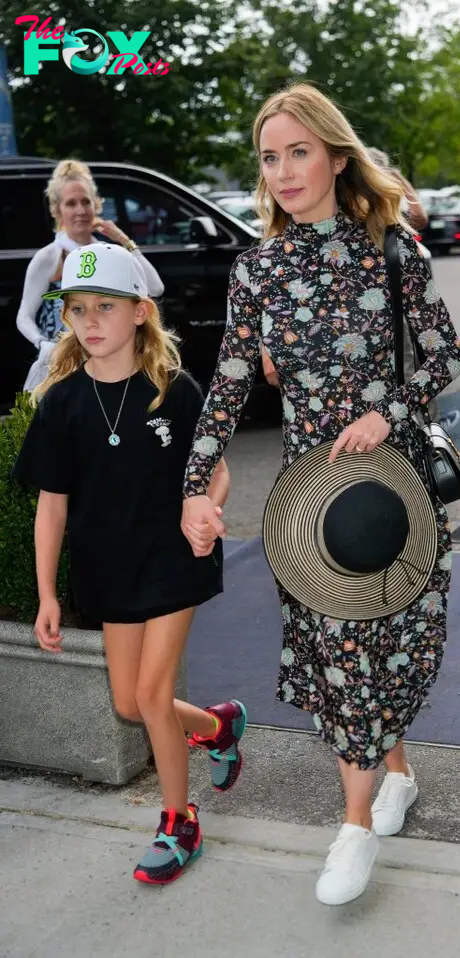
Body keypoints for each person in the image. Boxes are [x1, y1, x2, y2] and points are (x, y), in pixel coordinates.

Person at [181, 83, 460, 905]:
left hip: (397, 488)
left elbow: (443, 353)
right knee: (342, 654)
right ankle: (353, 826)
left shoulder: (393, 248)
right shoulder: (257, 270)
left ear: (338, 156)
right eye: (270, 157)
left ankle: (395, 773)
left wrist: (389, 409)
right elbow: (227, 386)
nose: (283, 170)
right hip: (312, 505)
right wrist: (195, 482)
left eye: (298, 151)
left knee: (396, 646)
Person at [12, 243, 247, 886]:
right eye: (77, 309)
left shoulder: (172, 389)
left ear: (140, 312)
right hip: (108, 571)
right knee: (129, 701)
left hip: (172, 561)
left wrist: (204, 511)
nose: (90, 321)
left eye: (105, 307)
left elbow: (216, 472)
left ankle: (179, 821)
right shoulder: (60, 402)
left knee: (149, 693)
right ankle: (218, 726)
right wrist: (47, 595)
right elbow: (50, 510)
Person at [16, 159, 165, 393]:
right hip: (64, 363)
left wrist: (124, 241)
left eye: (86, 201)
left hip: (108, 362)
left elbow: (154, 288)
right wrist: (43, 344)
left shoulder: (109, 253)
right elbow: (24, 316)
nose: (80, 210)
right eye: (71, 203)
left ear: (96, 205)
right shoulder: (50, 257)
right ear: (57, 210)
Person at [367, 147, 460, 434]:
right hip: (392, 291)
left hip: (381, 292)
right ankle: (426, 428)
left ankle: (423, 426)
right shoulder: (385, 197)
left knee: (405, 362)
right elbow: (419, 216)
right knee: (409, 362)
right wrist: (397, 176)